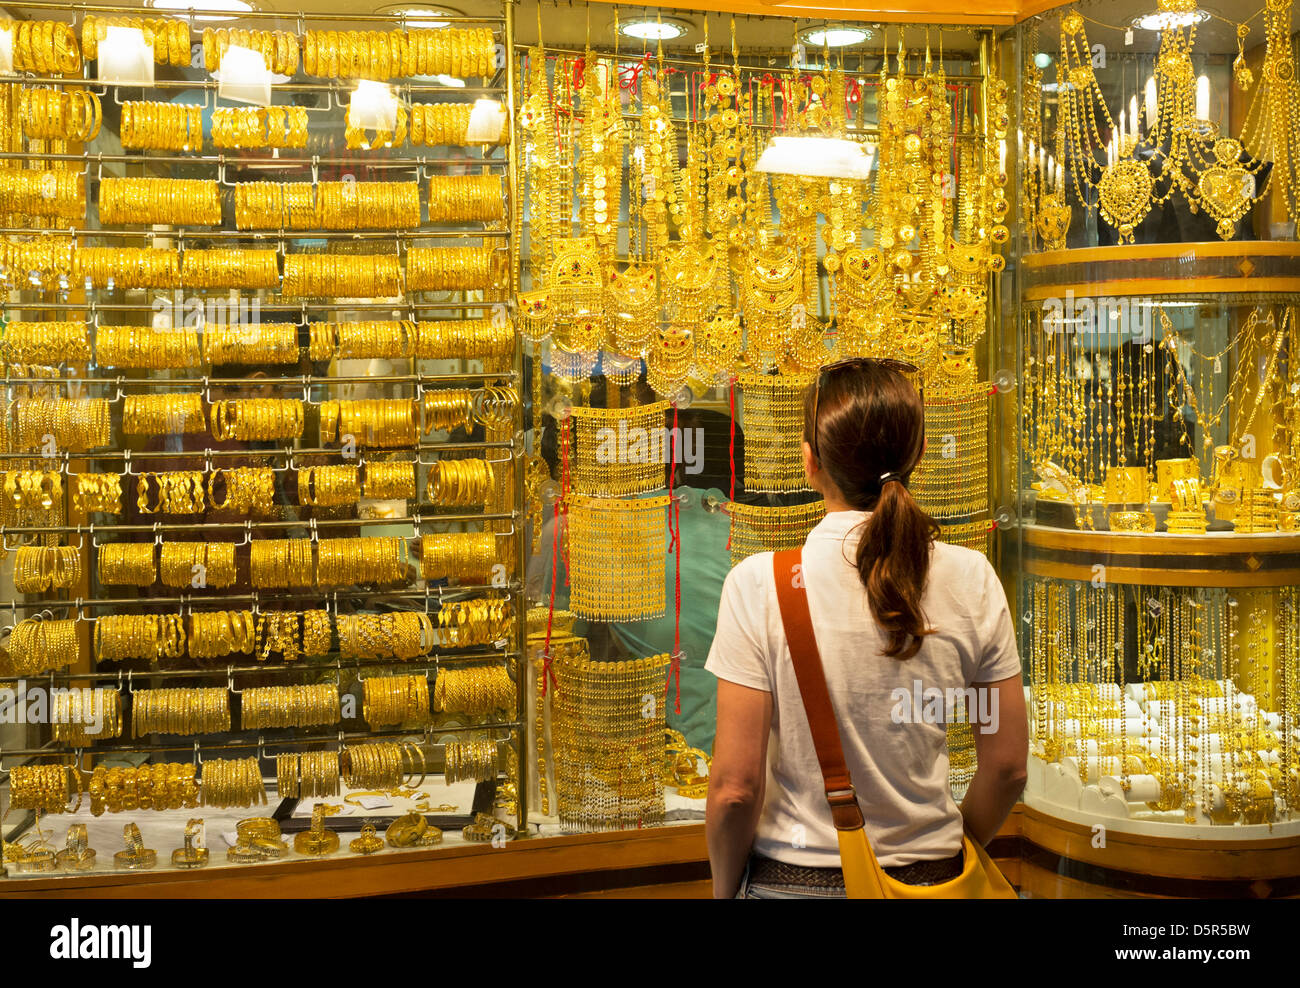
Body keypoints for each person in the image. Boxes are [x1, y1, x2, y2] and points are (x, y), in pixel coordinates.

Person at [704, 358, 1028, 899]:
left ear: (810, 462)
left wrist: (723, 893)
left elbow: (735, 789)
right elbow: (1008, 767)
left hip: (797, 881)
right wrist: (938, 853)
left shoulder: (759, 584)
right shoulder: (973, 577)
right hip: (939, 877)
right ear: (917, 456)